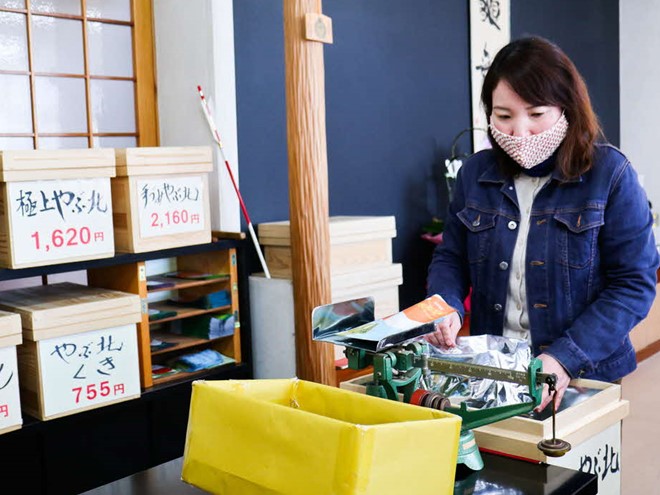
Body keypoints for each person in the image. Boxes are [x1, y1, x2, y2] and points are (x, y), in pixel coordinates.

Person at [426, 36, 659, 412]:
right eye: (504, 116)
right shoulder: (475, 175)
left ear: (566, 109)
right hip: (497, 369)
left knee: (570, 468)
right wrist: (446, 307)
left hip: (586, 368)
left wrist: (565, 356)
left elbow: (633, 285)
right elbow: (451, 257)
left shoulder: (610, 175)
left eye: (536, 114)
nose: (520, 133)